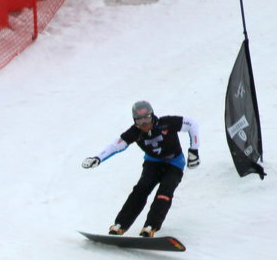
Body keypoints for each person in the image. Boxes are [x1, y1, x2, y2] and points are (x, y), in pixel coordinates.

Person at [81, 101, 199, 237]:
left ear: (152, 116)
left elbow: (192, 124)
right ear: (134, 121)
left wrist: (194, 150)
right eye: (139, 120)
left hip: (174, 163)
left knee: (165, 191)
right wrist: (98, 158)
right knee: (140, 190)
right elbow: (116, 146)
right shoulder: (135, 132)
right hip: (153, 164)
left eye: (147, 118)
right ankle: (120, 225)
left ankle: (151, 227)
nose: (144, 124)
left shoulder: (166, 123)